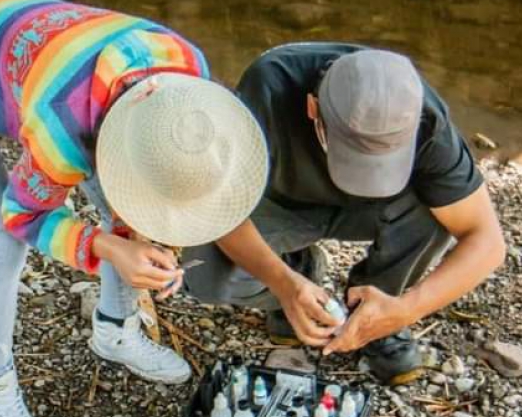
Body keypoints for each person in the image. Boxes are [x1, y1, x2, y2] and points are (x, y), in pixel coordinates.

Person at [0, 0, 267, 417]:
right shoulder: (64, 129)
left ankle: (115, 330)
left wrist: (139, 231)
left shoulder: (188, 77)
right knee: (0, 242)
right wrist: (108, 247)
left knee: (122, 202)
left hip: (27, 58)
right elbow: (21, 214)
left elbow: (140, 185)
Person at [185, 44, 505, 385]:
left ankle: (376, 306)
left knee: (438, 211)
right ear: (313, 108)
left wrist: (406, 310)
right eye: (351, 156)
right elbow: (217, 209)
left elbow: (486, 239)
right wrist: (283, 283)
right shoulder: (268, 87)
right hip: (281, 206)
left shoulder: (421, 115)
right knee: (204, 272)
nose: (366, 177)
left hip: (372, 213)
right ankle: (298, 273)